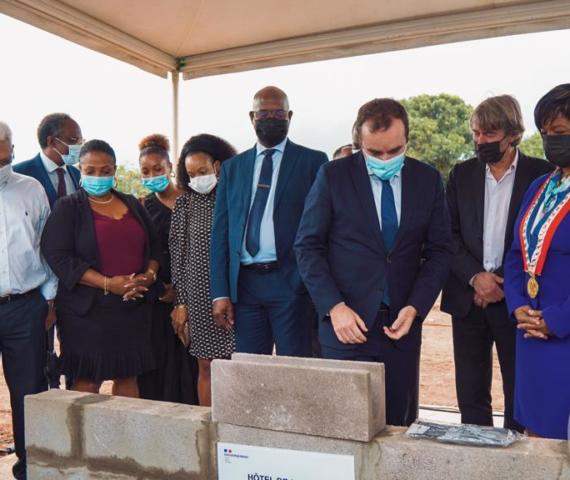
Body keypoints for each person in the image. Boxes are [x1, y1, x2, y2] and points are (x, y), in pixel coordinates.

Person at [295, 98, 452, 426]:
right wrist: (334, 307)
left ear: (407, 140)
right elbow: (308, 247)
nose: (385, 160)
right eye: (375, 152)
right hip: (346, 329)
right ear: (358, 143)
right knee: (344, 426)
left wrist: (416, 307)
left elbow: (439, 251)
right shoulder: (333, 176)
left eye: (395, 151)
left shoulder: (427, 180)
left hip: (401, 329)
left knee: (397, 427)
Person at [441, 95, 553, 431]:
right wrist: (476, 278)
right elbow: (448, 235)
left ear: (513, 134)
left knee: (518, 391)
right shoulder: (461, 174)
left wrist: (502, 283)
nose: (480, 141)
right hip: (468, 300)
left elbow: (538, 239)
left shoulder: (542, 175)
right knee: (471, 395)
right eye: (476, 133)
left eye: (489, 134)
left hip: (516, 303)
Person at [210, 86, 328, 357]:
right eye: (264, 113)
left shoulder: (313, 162)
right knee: (250, 372)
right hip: (245, 287)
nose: (271, 118)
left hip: (292, 284)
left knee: (295, 370)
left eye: (279, 113)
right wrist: (220, 293)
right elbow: (221, 233)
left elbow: (322, 228)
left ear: (290, 116)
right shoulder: (233, 167)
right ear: (252, 116)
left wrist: (305, 281)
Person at [41, 139, 159, 398]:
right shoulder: (68, 207)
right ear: (80, 171)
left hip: (132, 307)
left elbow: (154, 249)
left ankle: (126, 438)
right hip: (87, 312)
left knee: (128, 376)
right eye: (90, 171)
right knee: (88, 381)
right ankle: (82, 439)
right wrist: (107, 283)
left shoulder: (132, 203)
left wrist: (147, 278)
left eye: (105, 171)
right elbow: (58, 255)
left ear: (114, 170)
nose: (98, 176)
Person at [504, 83, 570, 440]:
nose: (550, 142)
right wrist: (518, 306)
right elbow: (517, 254)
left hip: (564, 336)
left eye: (559, 133)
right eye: (545, 133)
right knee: (534, 437)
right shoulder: (541, 186)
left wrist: (555, 320)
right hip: (531, 335)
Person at [0, 121, 57, 480]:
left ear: (9, 147)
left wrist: (49, 298)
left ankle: (30, 468)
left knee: (29, 393)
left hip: (25, 307)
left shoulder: (30, 188)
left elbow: (46, 244)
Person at [14, 113, 83, 389]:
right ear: (53, 141)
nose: (80, 145)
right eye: (75, 140)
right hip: (37, 283)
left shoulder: (78, 174)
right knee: (40, 358)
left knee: (77, 351)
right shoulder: (20, 175)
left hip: (76, 279)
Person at [137, 134, 198, 404]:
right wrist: (160, 289)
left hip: (195, 295)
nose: (153, 175)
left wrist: (184, 294)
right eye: (146, 171)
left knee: (193, 366)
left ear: (171, 167)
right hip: (157, 298)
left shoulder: (194, 201)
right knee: (158, 367)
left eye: (158, 169)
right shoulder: (141, 207)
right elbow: (142, 252)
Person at [14, 113, 82, 207]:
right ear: (51, 141)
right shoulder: (18, 174)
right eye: (73, 140)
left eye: (80, 141)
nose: (78, 146)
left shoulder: (78, 175)